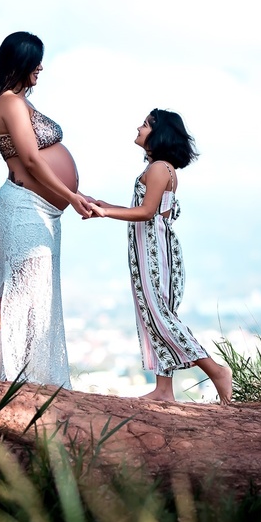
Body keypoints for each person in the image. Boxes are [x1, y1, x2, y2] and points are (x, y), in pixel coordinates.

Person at [0, 31, 93, 387]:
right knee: (23, 290)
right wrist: (71, 197)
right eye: (35, 60)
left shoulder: (20, 102)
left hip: (40, 211)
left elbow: (44, 166)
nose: (41, 67)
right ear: (19, 62)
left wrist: (78, 193)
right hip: (23, 208)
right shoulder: (9, 102)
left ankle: (13, 369)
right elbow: (30, 160)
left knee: (31, 291)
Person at [86, 110, 232, 403]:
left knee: (161, 316)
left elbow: (146, 212)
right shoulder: (160, 168)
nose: (139, 128)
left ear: (159, 133)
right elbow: (147, 209)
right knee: (155, 316)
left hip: (155, 255)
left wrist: (105, 212)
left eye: (145, 124)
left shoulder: (159, 169)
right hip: (151, 252)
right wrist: (107, 204)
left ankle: (216, 371)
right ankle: (164, 390)